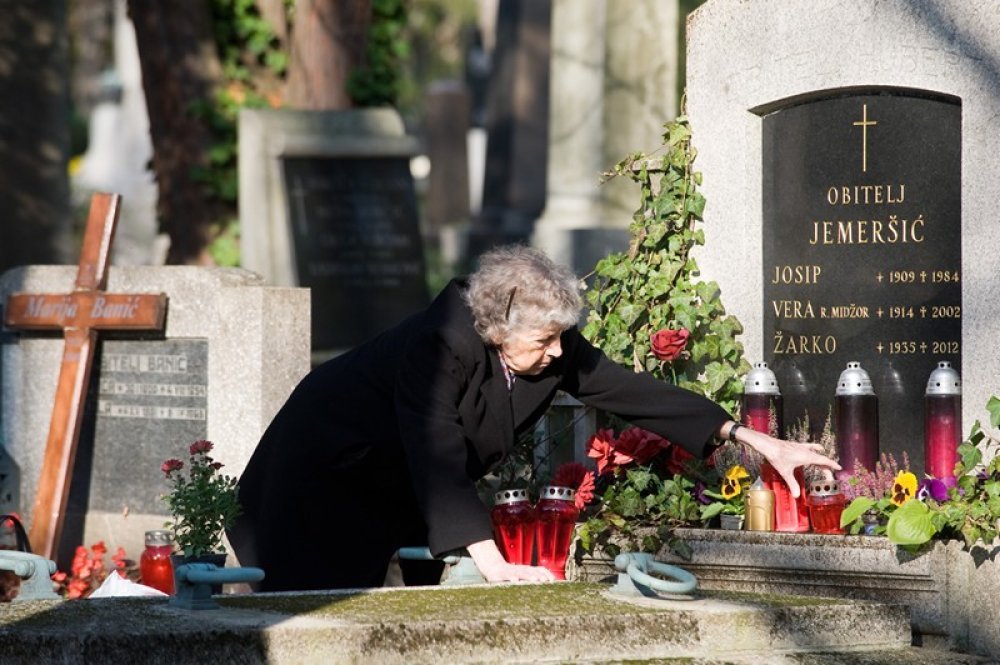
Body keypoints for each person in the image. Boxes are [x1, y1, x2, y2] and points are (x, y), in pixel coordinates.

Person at [229, 245, 840, 590]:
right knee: (316, 615)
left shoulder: (544, 348)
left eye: (560, 338)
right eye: (546, 339)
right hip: (318, 477)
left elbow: (631, 391)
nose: (557, 353)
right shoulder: (438, 344)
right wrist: (491, 562)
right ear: (499, 327)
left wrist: (754, 439)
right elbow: (435, 448)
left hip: (390, 486)